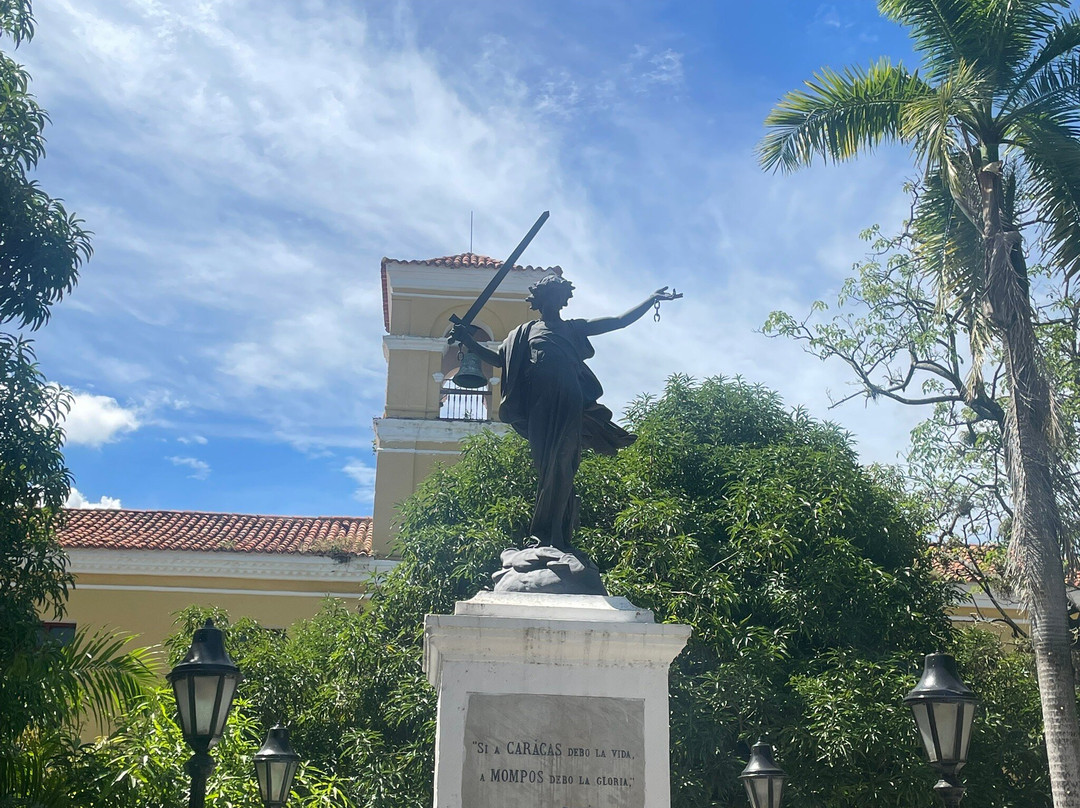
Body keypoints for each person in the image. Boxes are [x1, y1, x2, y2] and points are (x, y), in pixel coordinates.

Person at [451, 275, 680, 552]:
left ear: (563, 300)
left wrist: (650, 300)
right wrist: (469, 342)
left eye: (558, 296)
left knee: (562, 462)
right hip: (539, 404)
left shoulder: (574, 328)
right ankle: (546, 535)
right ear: (540, 300)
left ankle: (553, 535)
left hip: (569, 400)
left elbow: (617, 321)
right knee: (544, 466)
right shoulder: (524, 332)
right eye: (548, 296)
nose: (554, 302)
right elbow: (500, 359)